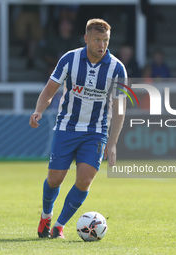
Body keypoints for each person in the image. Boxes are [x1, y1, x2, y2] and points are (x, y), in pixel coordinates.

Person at [29, 18, 127, 239]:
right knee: (55, 179)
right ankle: (46, 215)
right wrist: (38, 110)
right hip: (67, 127)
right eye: (97, 40)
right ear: (86, 39)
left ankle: (59, 226)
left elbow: (120, 109)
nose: (102, 45)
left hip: (96, 131)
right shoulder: (69, 59)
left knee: (84, 180)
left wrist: (112, 144)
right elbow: (50, 90)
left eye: (106, 41)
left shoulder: (117, 68)